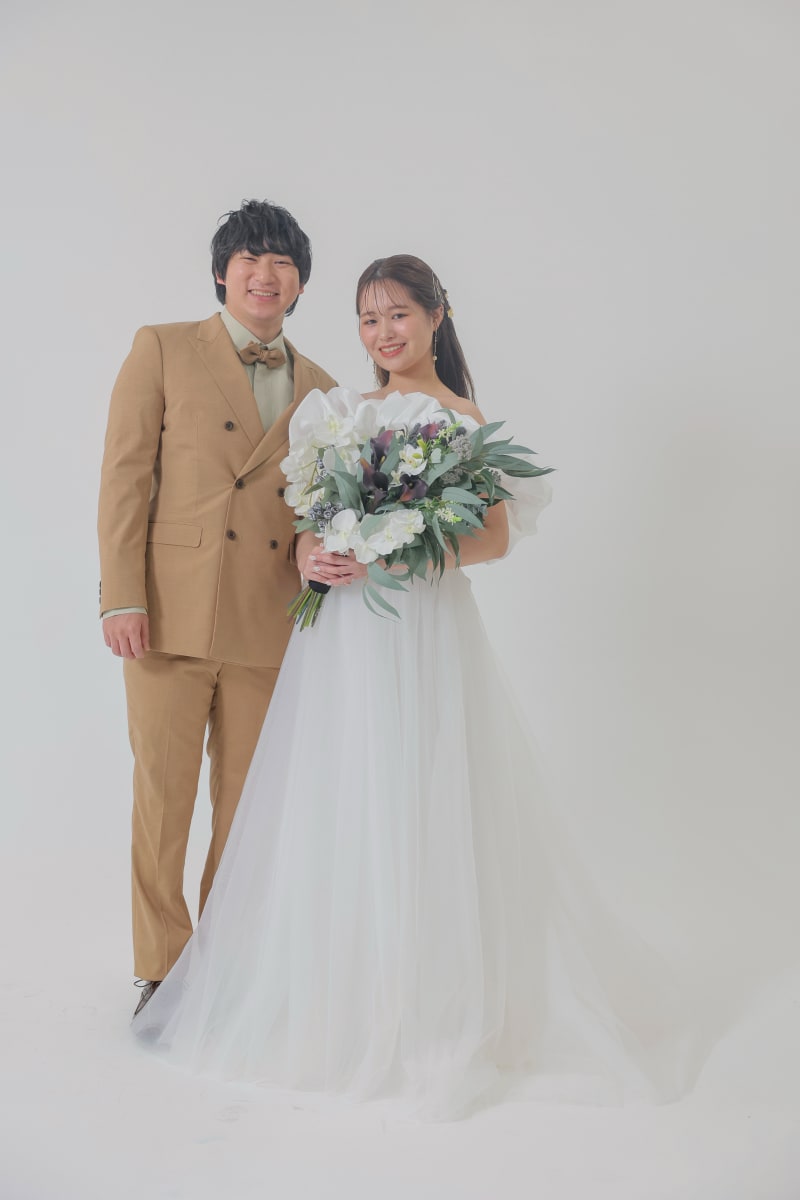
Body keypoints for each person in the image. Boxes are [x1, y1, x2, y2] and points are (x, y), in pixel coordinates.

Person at [133, 255, 688, 1119]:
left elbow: (491, 540)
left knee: (411, 788)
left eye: (398, 315)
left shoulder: (460, 418)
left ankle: (417, 1001)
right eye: (368, 319)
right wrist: (313, 552)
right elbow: (306, 520)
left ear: (436, 316)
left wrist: (390, 551)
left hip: (417, 630)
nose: (383, 333)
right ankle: (325, 992)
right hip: (337, 636)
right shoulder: (338, 411)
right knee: (335, 793)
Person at [98, 200, 336, 1017]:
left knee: (246, 810)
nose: (265, 274)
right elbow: (125, 478)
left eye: (282, 262)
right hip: (166, 614)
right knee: (163, 802)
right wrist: (122, 595)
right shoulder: (162, 347)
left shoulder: (323, 388)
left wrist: (317, 552)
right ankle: (161, 972)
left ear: (300, 283)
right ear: (220, 272)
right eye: (249, 259)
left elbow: (312, 509)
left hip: (269, 620)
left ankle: (225, 972)